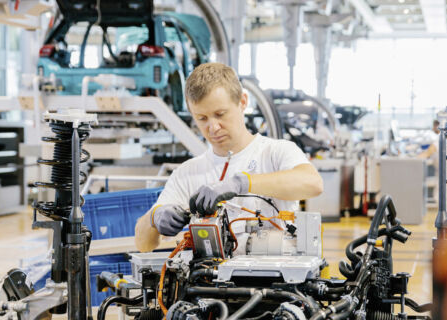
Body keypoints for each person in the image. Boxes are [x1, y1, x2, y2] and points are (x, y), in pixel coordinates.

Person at [135, 63, 324, 252]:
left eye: (220, 114)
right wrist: (154, 217)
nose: (213, 127)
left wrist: (242, 183)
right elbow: (143, 245)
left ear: (242, 102)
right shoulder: (186, 174)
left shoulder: (276, 152)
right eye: (202, 118)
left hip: (277, 277)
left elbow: (313, 183)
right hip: (209, 280)